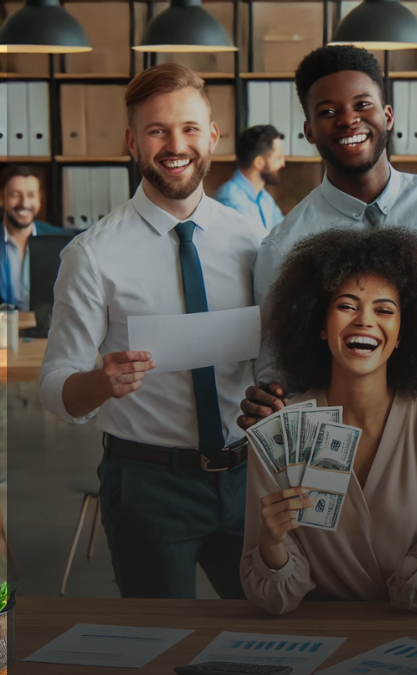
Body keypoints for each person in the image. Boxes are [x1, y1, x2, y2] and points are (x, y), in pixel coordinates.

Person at [37, 63, 262, 599]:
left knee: (264, 628)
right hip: (148, 484)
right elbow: (54, 386)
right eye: (157, 130)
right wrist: (99, 381)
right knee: (160, 642)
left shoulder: (252, 240)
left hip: (248, 475)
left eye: (188, 128)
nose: (174, 144)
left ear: (212, 137)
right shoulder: (93, 255)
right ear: (132, 142)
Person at [242, 227, 417, 615]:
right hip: (311, 632)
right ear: (320, 324)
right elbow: (271, 597)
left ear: (401, 336)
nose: (365, 320)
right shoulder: (280, 430)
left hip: (413, 633)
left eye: (384, 310)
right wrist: (272, 541)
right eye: (347, 305)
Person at [248, 45, 417, 394]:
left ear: (388, 115)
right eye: (328, 111)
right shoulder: (283, 246)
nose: (348, 119)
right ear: (309, 131)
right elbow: (274, 368)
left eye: (362, 104)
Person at [2, 166, 71, 311]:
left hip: (45, 331)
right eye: (15, 195)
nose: (24, 203)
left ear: (39, 199)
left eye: (31, 195)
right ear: (2, 198)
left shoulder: (60, 241)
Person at [213, 125, 286, 231]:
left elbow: (284, 231)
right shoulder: (230, 201)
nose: (283, 163)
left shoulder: (265, 198)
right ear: (259, 163)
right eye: (279, 158)